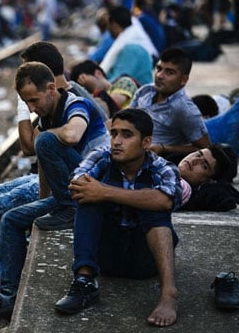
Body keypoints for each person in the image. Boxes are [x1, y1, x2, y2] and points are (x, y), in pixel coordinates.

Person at [0, 61, 109, 320]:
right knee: (10, 219)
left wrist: (45, 135)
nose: (33, 108)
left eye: (34, 100)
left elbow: (72, 136)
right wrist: (45, 204)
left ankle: (67, 208)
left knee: (45, 140)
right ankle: (8, 296)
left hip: (98, 187)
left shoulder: (75, 104)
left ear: (51, 88)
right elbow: (36, 155)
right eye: (26, 103)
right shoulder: (47, 115)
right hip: (71, 193)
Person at [54, 108, 181, 328]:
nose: (117, 141)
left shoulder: (163, 167)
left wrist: (105, 192)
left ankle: (169, 294)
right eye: (114, 134)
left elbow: (166, 200)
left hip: (143, 259)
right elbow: (77, 183)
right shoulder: (102, 156)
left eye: (127, 135)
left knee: (152, 204)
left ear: (146, 142)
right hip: (107, 256)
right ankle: (84, 281)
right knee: (88, 198)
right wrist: (99, 193)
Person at [130, 47, 210, 160]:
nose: (159, 76)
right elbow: (126, 119)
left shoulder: (184, 109)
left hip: (150, 160)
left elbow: (205, 149)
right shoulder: (145, 91)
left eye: (169, 72)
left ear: (184, 80)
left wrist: (164, 148)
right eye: (158, 69)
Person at [100, 6, 157, 86]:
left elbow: (117, 80)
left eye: (108, 26)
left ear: (115, 26)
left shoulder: (131, 48)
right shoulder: (134, 33)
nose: (108, 30)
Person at [70, 60, 139, 117]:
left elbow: (113, 102)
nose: (85, 86)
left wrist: (93, 88)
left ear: (98, 73)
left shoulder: (124, 81)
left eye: (83, 78)